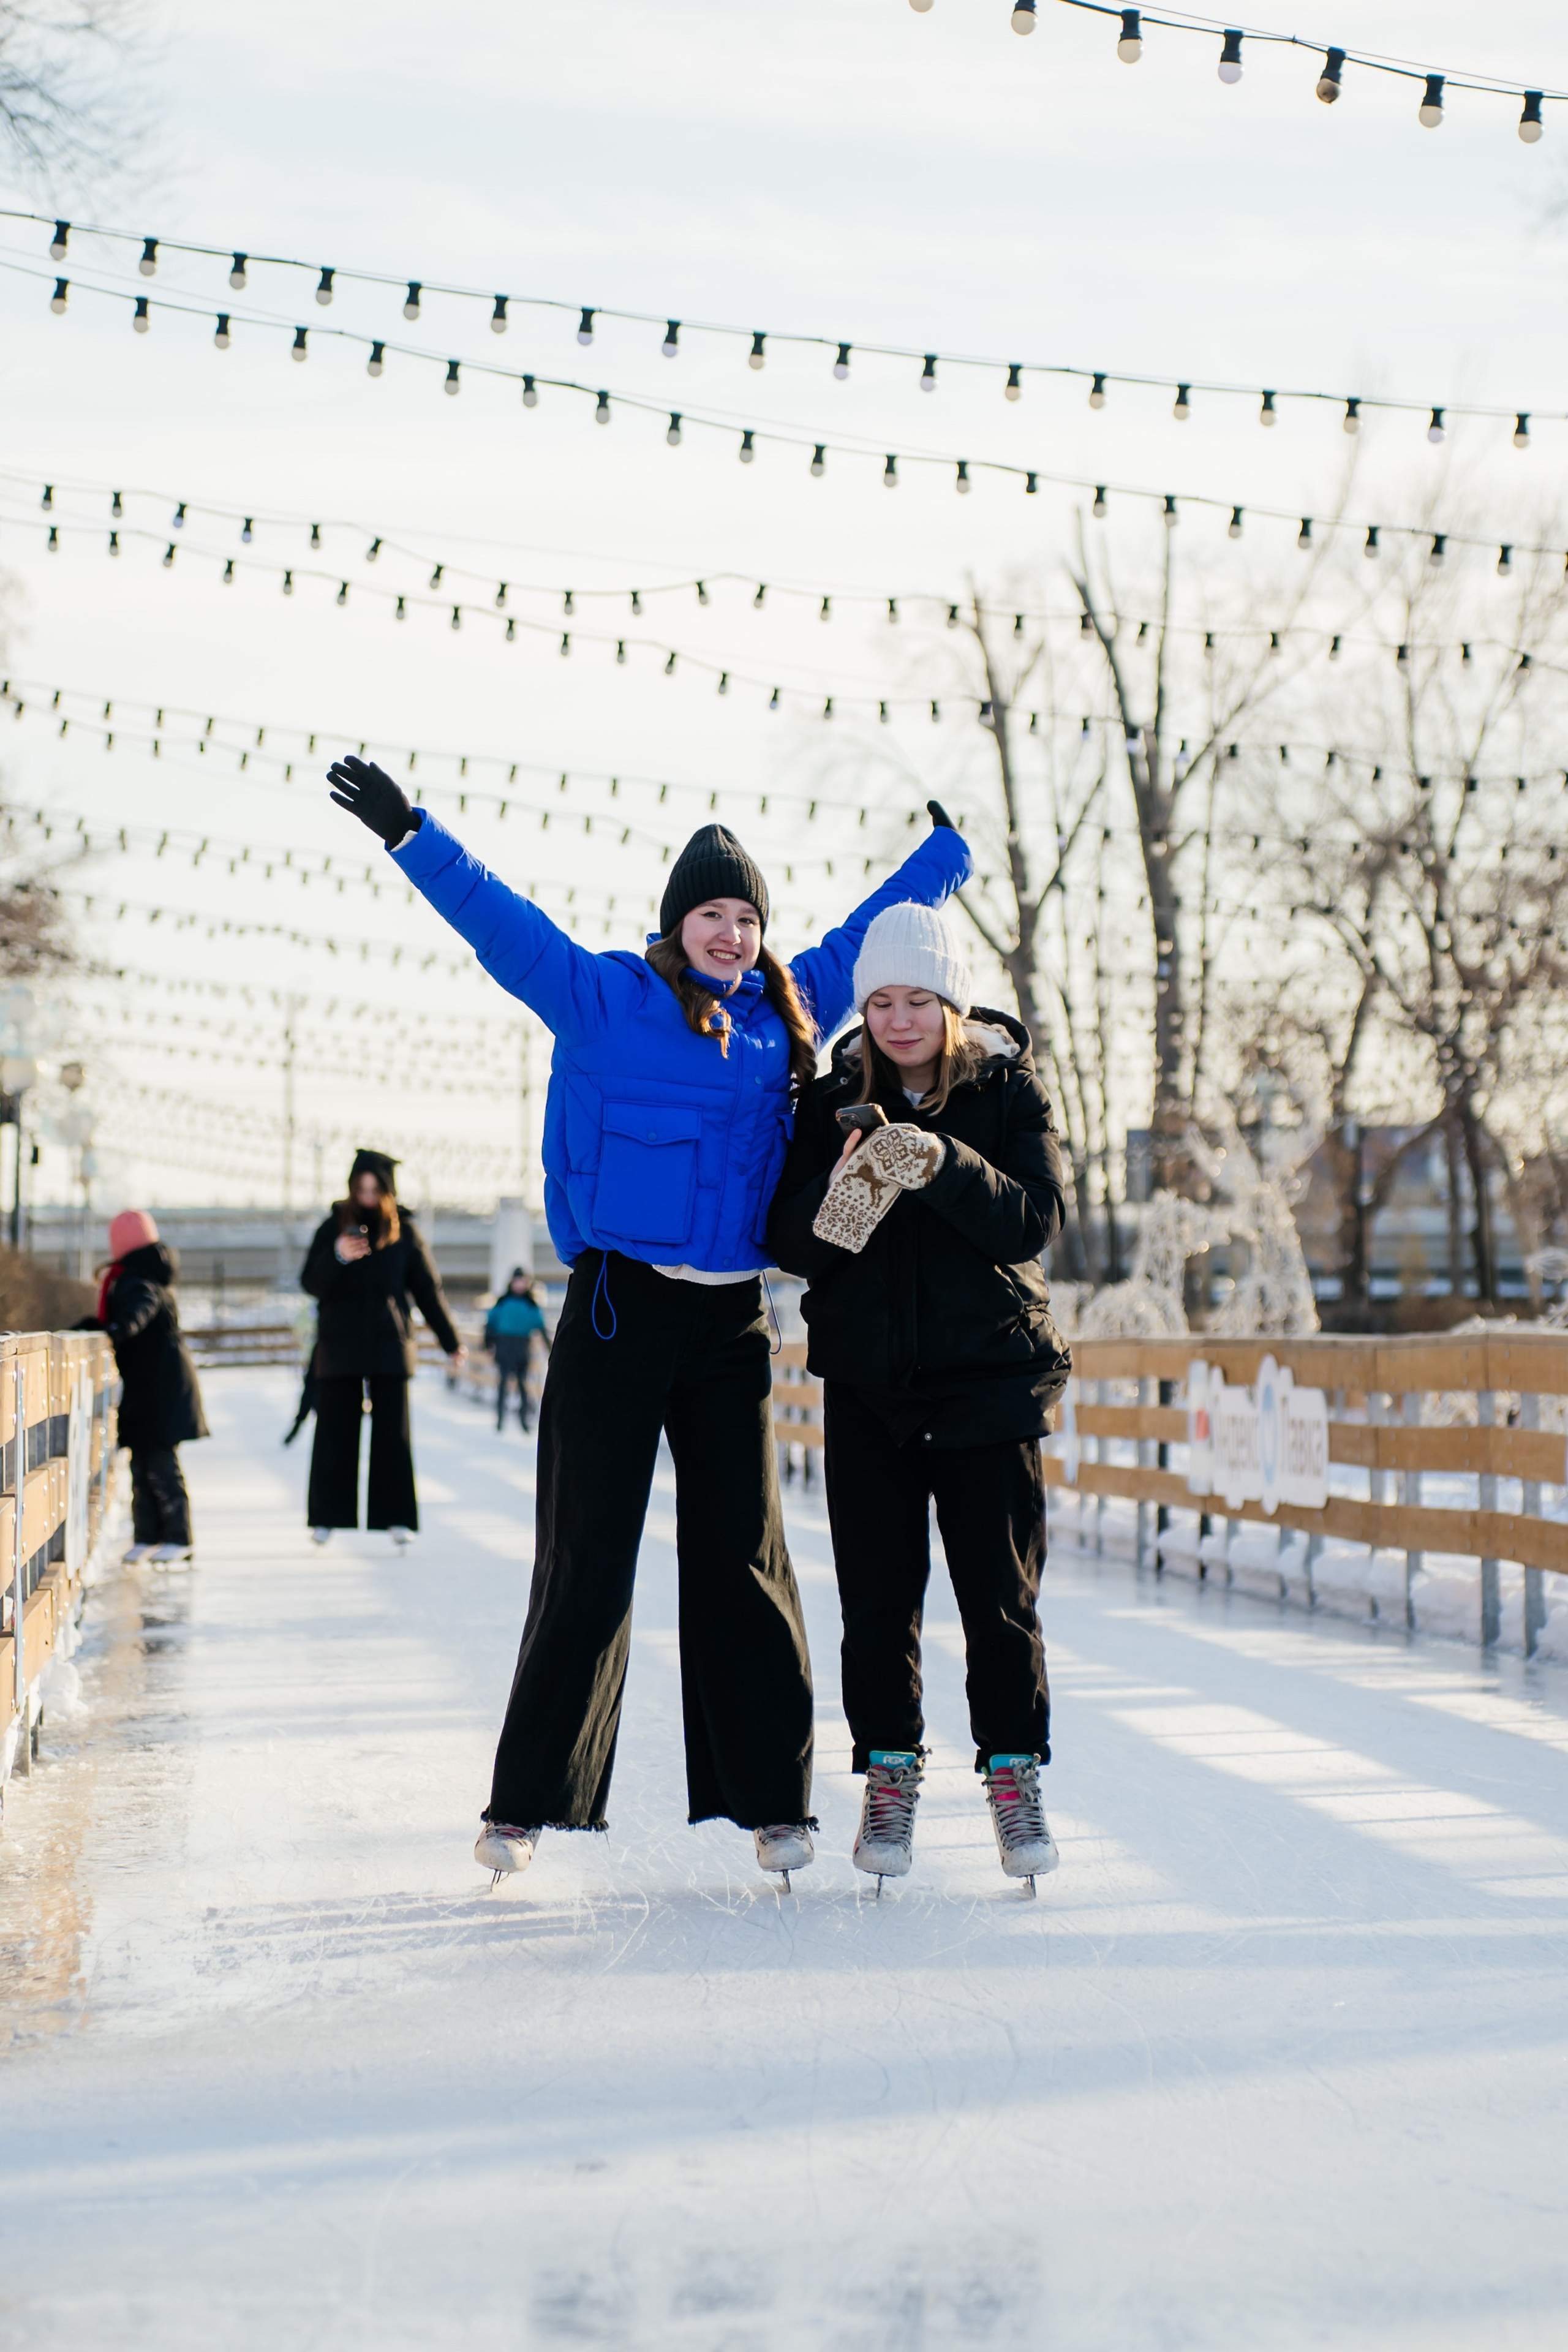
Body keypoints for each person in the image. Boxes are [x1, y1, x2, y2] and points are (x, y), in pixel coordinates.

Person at [325, 751, 971, 1888]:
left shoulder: (789, 1005)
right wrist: (412, 833)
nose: (731, 933)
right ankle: (525, 1805)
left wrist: (945, 859)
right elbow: (503, 926)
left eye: (746, 916)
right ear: (678, 923)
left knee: (745, 1561)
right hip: (618, 1308)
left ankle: (775, 1804)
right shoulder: (606, 998)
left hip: (729, 1324)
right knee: (585, 1560)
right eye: (712, 915)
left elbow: (877, 935)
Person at [767, 902, 1071, 1893]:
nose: (899, 1019)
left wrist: (938, 1163)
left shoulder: (1005, 1088)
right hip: (870, 1394)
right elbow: (796, 1248)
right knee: (879, 1602)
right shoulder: (826, 1102)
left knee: (999, 1600)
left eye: (920, 1000)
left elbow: (1030, 1222)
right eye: (882, 1001)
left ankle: (1014, 1776)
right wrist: (853, 1187)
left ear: (952, 1003)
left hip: (989, 1386)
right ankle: (888, 1774)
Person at [300, 1150, 465, 1545]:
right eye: (362, 1188)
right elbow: (310, 1283)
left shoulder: (405, 1232)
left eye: (376, 1188)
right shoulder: (332, 1228)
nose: (368, 1196)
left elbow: (427, 1290)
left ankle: (396, 1517)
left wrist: (451, 1342)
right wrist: (337, 1256)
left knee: (393, 1435)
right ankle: (328, 1516)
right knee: (335, 1431)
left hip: (390, 1344)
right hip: (339, 1345)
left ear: (388, 1190)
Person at [88, 1209, 208, 1565]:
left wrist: (119, 1329)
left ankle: (179, 1537)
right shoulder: (138, 1275)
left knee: (159, 1463)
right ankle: (148, 1536)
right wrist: (93, 1328)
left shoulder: (139, 1279)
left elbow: (141, 1310)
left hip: (161, 1388)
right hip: (151, 1385)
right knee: (141, 1463)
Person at [484, 1268, 549, 1431]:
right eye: (517, 1281)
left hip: (522, 1346)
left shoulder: (531, 1304)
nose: (520, 1285)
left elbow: (541, 1326)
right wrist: (488, 1341)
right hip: (504, 1344)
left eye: (523, 1282)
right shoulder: (503, 1301)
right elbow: (491, 1322)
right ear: (512, 1282)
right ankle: (500, 1419)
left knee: (522, 1384)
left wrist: (550, 1348)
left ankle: (524, 1420)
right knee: (503, 1382)